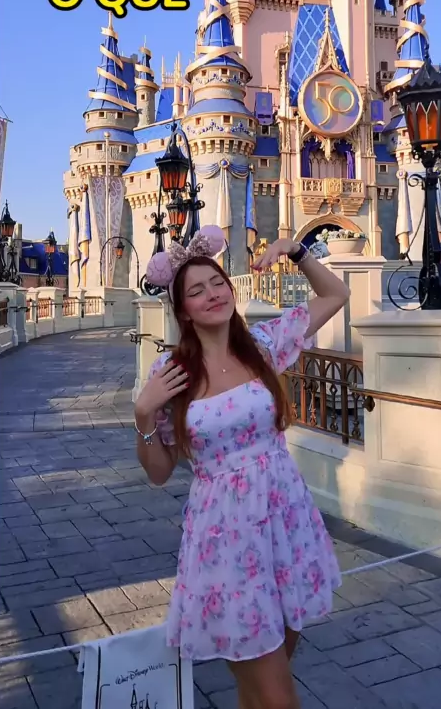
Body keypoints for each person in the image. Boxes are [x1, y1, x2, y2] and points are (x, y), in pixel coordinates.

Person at [134, 225, 349, 709]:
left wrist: (295, 249)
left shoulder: (263, 347)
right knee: (277, 699)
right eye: (196, 290)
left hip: (286, 526)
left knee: (260, 692)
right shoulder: (171, 375)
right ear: (182, 310)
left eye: (218, 283)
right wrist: (144, 414)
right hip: (227, 542)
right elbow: (159, 472)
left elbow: (336, 294)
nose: (213, 294)